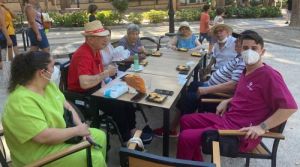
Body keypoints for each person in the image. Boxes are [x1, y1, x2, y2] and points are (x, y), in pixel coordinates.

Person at [176, 31, 298, 161]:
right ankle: (196, 162)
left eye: (254, 48)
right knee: (185, 120)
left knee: (185, 137)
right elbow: (250, 95)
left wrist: (262, 127)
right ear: (240, 50)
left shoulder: (269, 75)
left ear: (262, 51)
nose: (249, 51)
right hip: (228, 120)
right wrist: (228, 100)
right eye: (245, 48)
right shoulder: (246, 71)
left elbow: (289, 108)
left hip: (241, 133)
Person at [2, 51, 107, 167]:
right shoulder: (20, 101)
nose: (55, 69)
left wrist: (80, 127)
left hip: (59, 137)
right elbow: (44, 136)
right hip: (38, 154)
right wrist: (77, 131)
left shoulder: (48, 85)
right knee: (94, 159)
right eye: (52, 66)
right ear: (42, 72)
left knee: (99, 136)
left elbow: (67, 106)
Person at [68, 20, 152, 143]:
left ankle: (132, 130)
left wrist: (110, 85)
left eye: (106, 36)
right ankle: (127, 139)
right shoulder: (84, 54)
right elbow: (84, 83)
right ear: (90, 39)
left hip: (96, 88)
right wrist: (106, 74)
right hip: (84, 95)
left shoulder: (95, 50)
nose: (106, 39)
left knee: (127, 96)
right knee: (118, 104)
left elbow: (98, 74)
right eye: (101, 37)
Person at [154, 31, 247, 137]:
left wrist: (207, 89)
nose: (235, 43)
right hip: (211, 85)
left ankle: (174, 128)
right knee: (193, 85)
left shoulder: (243, 61)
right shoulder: (239, 57)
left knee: (187, 97)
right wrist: (209, 77)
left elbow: (234, 85)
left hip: (217, 93)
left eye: (238, 42)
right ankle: (178, 123)